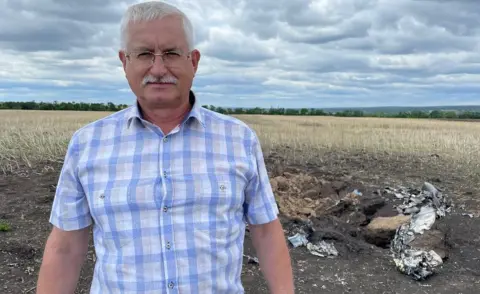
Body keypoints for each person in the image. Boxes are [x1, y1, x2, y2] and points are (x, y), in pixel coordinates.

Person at [36, 1, 294, 293]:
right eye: (144, 53)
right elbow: (66, 247)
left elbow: (265, 230)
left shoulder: (239, 139)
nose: (158, 68)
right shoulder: (87, 144)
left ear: (193, 61)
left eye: (171, 53)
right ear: (124, 62)